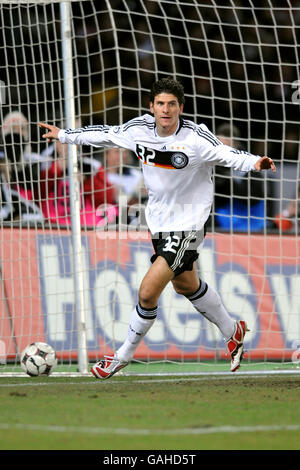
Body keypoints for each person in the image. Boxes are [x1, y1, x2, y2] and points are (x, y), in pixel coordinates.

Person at [39, 76, 276, 377]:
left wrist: (256, 162)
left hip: (190, 223)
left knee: (147, 292)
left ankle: (122, 355)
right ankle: (233, 331)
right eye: (160, 103)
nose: (166, 110)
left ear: (181, 108)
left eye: (172, 104)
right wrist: (64, 135)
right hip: (159, 224)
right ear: (151, 107)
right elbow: (105, 134)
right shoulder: (137, 130)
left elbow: (227, 154)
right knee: (185, 285)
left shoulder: (196, 138)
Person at [38, 137, 117, 227]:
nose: (68, 146)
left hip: (85, 224)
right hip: (51, 224)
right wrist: (56, 169)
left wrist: (86, 181)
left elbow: (105, 200)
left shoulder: (92, 165)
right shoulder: (45, 162)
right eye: (63, 142)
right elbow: (37, 195)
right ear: (56, 143)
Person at [214, 123, 266, 232]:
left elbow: (253, 199)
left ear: (236, 145)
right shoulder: (213, 167)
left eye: (227, 147)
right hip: (222, 226)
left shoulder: (250, 165)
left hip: (252, 226)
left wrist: (227, 180)